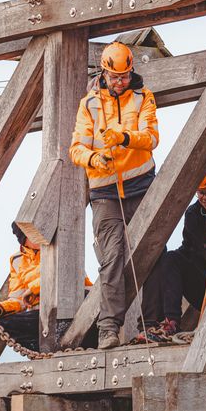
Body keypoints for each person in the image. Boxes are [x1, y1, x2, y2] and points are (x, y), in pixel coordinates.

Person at [69, 41, 159, 349]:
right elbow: (76, 149)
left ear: (130, 71)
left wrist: (124, 137)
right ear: (104, 73)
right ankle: (109, 328)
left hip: (141, 184)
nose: (119, 82)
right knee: (111, 258)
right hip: (105, 191)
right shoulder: (89, 105)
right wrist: (93, 159)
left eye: (123, 76)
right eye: (113, 77)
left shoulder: (143, 97)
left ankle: (157, 322)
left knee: (153, 249)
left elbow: (151, 138)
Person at [138, 164, 206, 340]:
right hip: (203, 287)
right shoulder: (194, 214)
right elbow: (187, 251)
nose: (204, 197)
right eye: (200, 192)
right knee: (171, 258)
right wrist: (169, 269)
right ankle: (170, 322)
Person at [0, 223, 94, 351]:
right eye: (31, 234)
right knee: (1, 325)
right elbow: (18, 299)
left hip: (72, 303)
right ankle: (42, 351)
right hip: (42, 314)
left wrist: (33, 288)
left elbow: (69, 273)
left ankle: (65, 341)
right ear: (24, 240)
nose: (37, 236)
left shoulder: (59, 246)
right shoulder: (17, 260)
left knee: (81, 304)